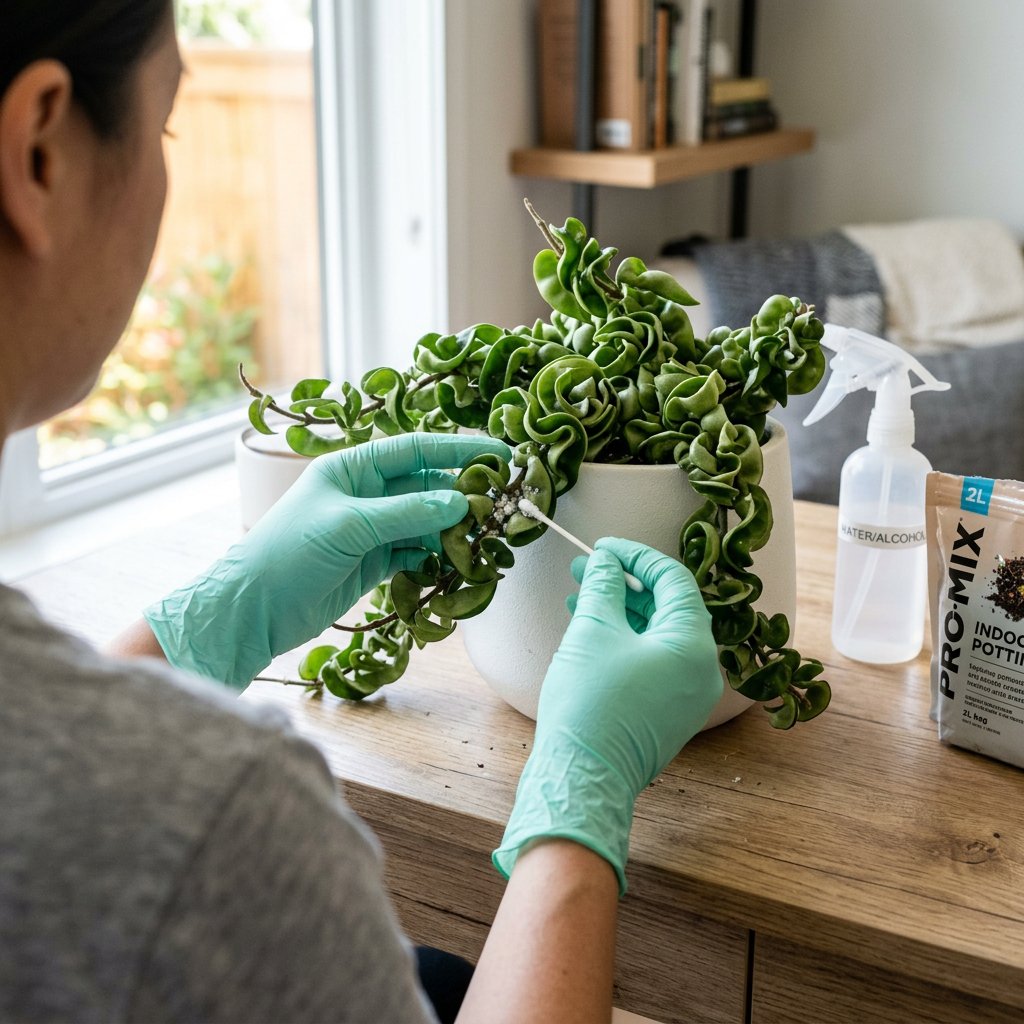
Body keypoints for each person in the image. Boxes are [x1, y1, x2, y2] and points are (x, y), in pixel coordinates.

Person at [0, 3, 724, 1022]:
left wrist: (199, 627)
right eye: (167, 125)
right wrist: (578, 803)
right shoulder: (221, 824)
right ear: (38, 150)